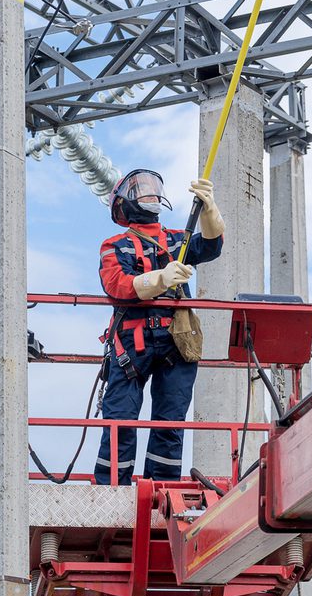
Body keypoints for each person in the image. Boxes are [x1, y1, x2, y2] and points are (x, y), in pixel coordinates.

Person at [94, 168, 224, 485]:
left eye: (154, 188)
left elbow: (210, 245)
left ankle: (161, 488)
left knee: (170, 423)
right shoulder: (115, 246)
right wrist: (160, 278)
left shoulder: (177, 241)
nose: (151, 193)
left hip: (175, 342)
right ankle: (113, 488)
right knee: (120, 421)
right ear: (125, 201)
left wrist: (209, 209)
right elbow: (117, 285)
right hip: (131, 345)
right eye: (142, 189)